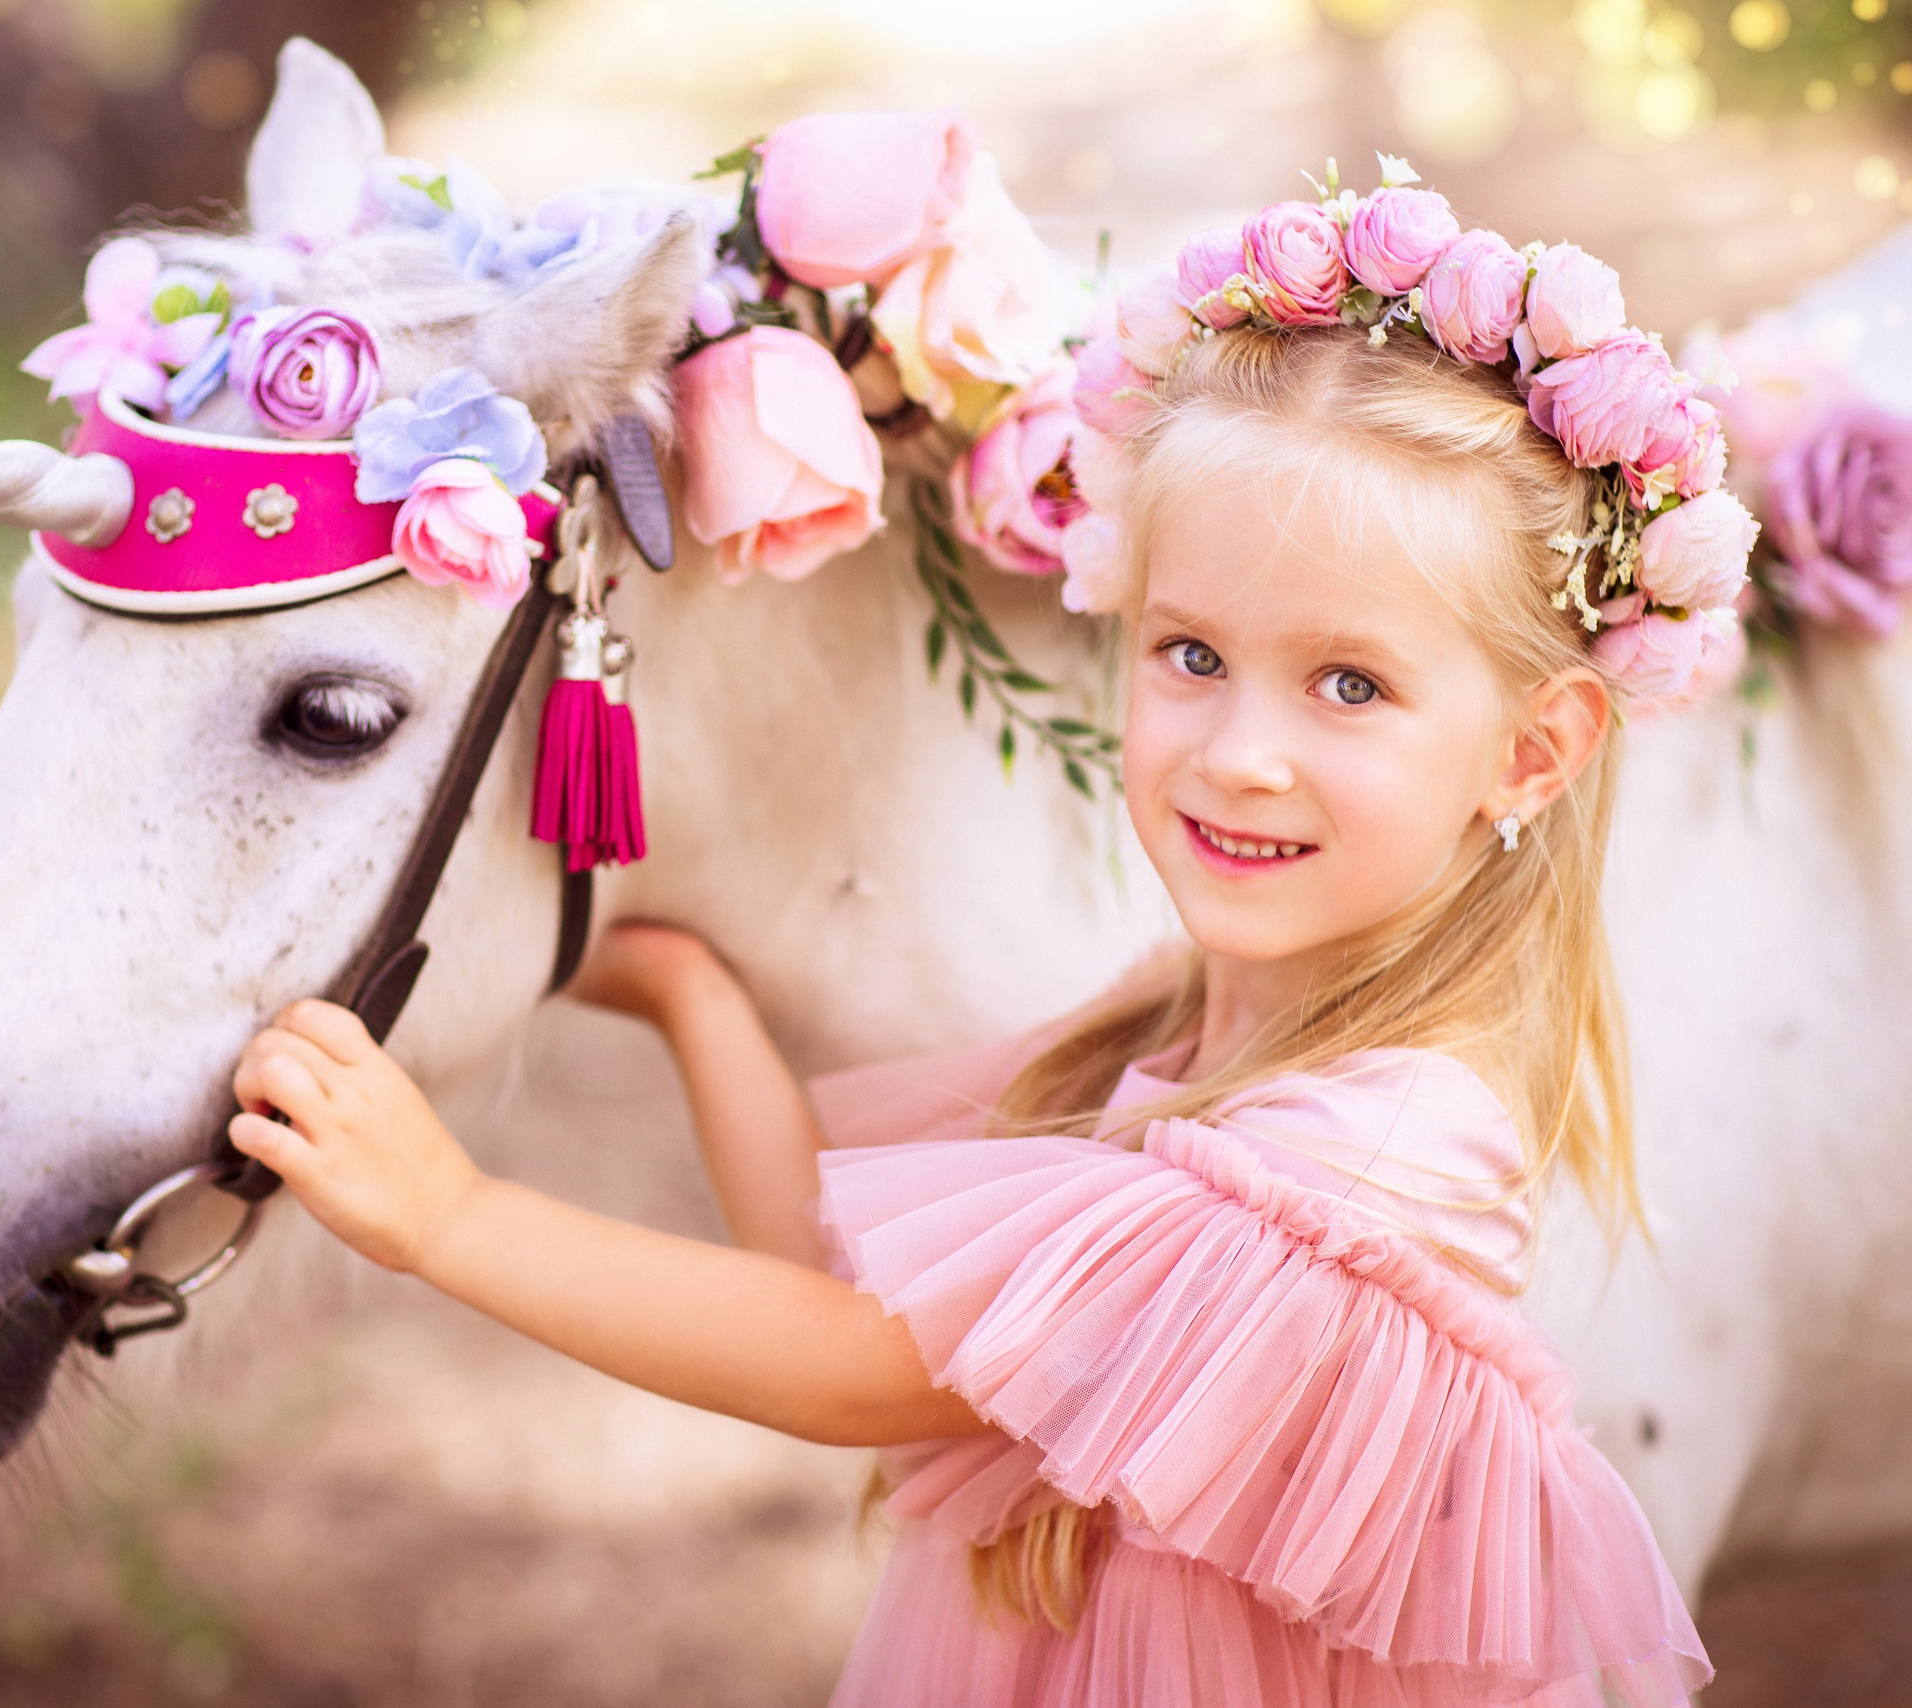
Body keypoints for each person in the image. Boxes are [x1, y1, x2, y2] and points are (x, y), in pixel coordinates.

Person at [221, 183, 1727, 1704]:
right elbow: (841, 1278)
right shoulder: (1196, 1042)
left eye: (1350, 687)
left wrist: (452, 1218)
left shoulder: (1366, 1157)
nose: (1238, 755)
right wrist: (691, 996)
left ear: (1532, 754)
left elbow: (864, 1371)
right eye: (1191, 654)